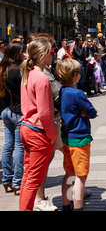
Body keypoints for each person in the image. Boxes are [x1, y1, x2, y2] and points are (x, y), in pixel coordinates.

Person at [19, 38, 58, 211]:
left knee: (28, 176)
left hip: (27, 127)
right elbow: (44, 112)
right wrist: (52, 135)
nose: (54, 54)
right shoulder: (41, 78)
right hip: (38, 131)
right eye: (51, 52)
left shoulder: (28, 74)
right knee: (33, 178)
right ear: (43, 56)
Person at [55, 59, 97, 211]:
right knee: (81, 176)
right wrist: (87, 112)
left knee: (69, 173)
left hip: (66, 137)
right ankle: (78, 207)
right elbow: (92, 111)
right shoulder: (78, 93)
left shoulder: (62, 91)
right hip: (79, 138)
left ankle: (66, 205)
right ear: (75, 75)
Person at [0, 41, 26, 196]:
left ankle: (7, 179)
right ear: (18, 54)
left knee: (8, 146)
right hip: (18, 112)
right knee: (19, 147)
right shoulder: (19, 71)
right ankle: (17, 182)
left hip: (6, 111)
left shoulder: (3, 69)